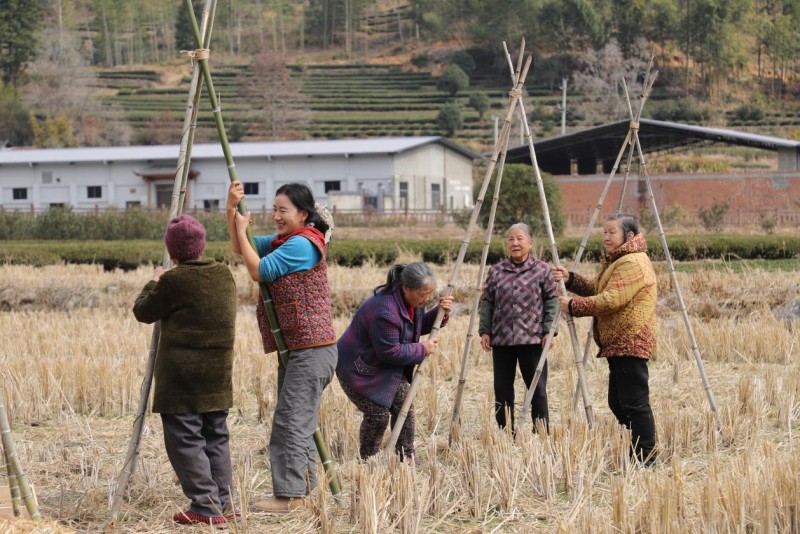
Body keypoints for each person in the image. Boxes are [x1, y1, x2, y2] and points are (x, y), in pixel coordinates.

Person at [227, 180, 338, 513]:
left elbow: (258, 270)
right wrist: (232, 211)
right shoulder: (283, 240)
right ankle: (305, 494)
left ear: (303, 214)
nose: (276, 216)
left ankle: (290, 497)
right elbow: (240, 246)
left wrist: (241, 227)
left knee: (290, 422)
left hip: (312, 349)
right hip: (299, 348)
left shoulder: (302, 245)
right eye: (273, 209)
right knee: (298, 421)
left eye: (283, 211)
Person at [132, 214, 237, 527]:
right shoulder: (224, 274)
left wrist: (155, 279)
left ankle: (205, 506)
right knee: (216, 436)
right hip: (219, 373)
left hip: (182, 378)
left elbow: (143, 311)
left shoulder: (173, 280)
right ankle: (226, 504)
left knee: (185, 439)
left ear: (172, 252)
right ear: (202, 246)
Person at [552, 213, 657, 465]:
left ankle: (646, 456)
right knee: (618, 402)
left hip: (630, 340)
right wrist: (571, 280)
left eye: (612, 232)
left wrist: (575, 306)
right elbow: (599, 290)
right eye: (604, 232)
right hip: (618, 344)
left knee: (633, 404)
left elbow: (612, 300)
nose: (606, 237)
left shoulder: (633, 262)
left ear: (628, 236)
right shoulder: (618, 261)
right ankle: (639, 446)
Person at [336, 262, 453, 461]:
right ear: (406, 288)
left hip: (384, 366)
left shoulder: (412, 302)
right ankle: (369, 460)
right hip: (359, 368)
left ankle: (405, 456)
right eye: (423, 294)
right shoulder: (385, 310)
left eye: (430, 294)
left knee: (404, 404)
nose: (426, 299)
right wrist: (422, 349)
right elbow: (390, 352)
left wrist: (440, 312)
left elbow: (416, 326)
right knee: (378, 414)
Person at [478, 223, 559, 434]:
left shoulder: (542, 270)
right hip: (502, 340)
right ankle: (506, 432)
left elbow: (552, 301)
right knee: (502, 389)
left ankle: (541, 432)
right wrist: (485, 331)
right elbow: (487, 302)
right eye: (511, 239)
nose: (514, 243)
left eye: (519, 238)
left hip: (532, 340)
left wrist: (549, 331)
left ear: (530, 243)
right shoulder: (496, 271)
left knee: (538, 389)